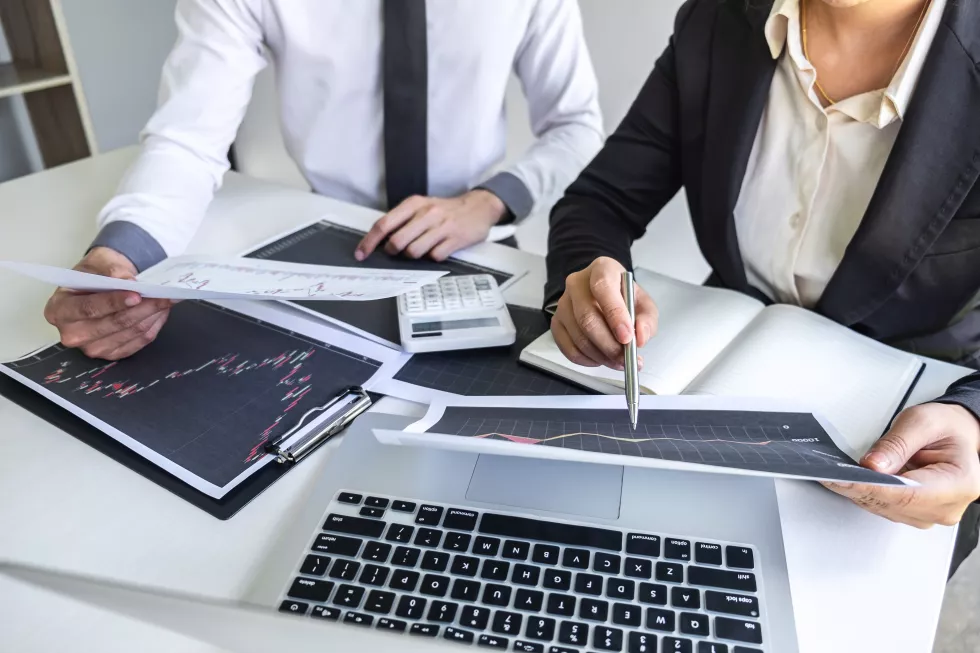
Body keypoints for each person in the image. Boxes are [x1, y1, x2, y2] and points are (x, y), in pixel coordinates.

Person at [545, 0, 980, 574]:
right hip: (713, 391)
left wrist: (975, 417)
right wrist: (587, 272)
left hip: (913, 427)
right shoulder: (717, 18)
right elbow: (600, 202)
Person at [44, 0, 603, 361]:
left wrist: (490, 200)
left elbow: (575, 126)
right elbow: (188, 138)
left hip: (482, 245)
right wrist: (120, 254)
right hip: (328, 251)